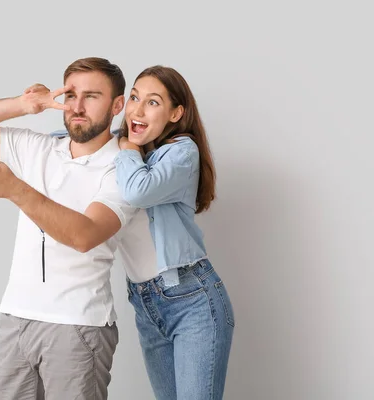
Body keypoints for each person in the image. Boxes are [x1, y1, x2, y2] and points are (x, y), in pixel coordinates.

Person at [0, 57, 157, 400]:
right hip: (16, 318)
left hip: (77, 326)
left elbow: (85, 235)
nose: (77, 106)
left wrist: (16, 189)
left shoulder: (124, 167)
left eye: (91, 96)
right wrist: (22, 104)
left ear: (117, 105)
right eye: (70, 95)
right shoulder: (38, 147)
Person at [113, 65, 235, 400]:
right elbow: (75, 145)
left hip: (192, 300)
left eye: (152, 102)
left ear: (175, 113)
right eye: (134, 97)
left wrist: (124, 148)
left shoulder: (181, 151)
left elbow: (138, 190)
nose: (136, 110)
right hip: (144, 302)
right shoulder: (131, 147)